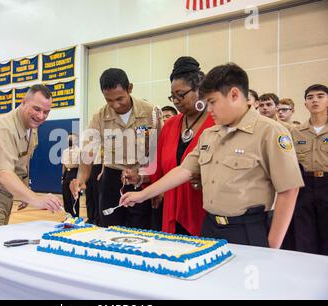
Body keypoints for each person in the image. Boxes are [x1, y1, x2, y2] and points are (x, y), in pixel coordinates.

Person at [121, 63, 304, 249]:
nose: (208, 110)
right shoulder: (210, 134)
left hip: (248, 229)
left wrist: (272, 246)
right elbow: (183, 170)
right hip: (209, 227)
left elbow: (289, 190)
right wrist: (142, 194)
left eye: (212, 102)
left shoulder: (269, 132)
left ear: (234, 95)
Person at [123, 56, 214, 235]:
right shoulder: (171, 125)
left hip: (202, 210)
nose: (176, 101)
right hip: (172, 209)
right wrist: (140, 178)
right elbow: (160, 169)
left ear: (201, 90)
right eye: (173, 97)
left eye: (181, 95)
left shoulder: (215, 122)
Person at [70, 68, 163, 229]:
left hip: (142, 179)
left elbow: (160, 152)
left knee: (140, 231)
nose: (115, 105)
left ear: (130, 88)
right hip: (111, 180)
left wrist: (156, 185)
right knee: (109, 229)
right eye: (109, 100)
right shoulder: (99, 116)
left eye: (120, 98)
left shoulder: (151, 113)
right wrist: (81, 179)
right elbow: (88, 153)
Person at [0, 84, 63, 231]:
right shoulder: (3, 129)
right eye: (36, 109)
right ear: (23, 102)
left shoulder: (31, 127)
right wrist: (35, 199)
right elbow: (3, 174)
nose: (41, 116)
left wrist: (24, 190)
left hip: (4, 193)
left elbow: (22, 162)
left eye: (46, 112)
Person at [289, 84, 328, 255]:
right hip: (304, 184)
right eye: (310, 97)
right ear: (305, 104)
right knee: (305, 231)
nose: (315, 100)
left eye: (320, 96)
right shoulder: (297, 132)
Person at [61, 133, 81, 217]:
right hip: (67, 174)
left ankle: (75, 217)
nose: (70, 140)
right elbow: (63, 165)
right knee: (66, 196)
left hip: (75, 173)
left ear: (76, 140)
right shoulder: (65, 151)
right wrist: (62, 176)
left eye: (72, 139)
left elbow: (80, 166)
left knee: (74, 197)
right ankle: (68, 215)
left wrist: (79, 179)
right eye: (69, 139)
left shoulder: (79, 151)